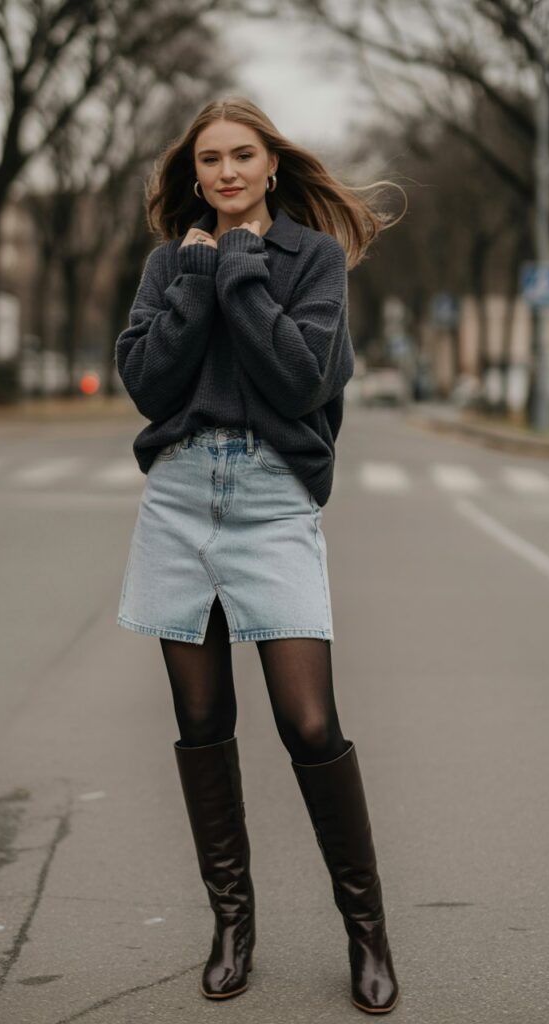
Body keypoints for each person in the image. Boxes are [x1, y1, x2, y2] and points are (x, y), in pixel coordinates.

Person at [115, 96, 405, 1014]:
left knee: (308, 723)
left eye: (243, 156)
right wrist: (197, 283)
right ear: (193, 173)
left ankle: (368, 934)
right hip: (180, 497)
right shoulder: (169, 263)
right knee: (201, 723)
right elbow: (148, 383)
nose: (227, 173)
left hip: (272, 498)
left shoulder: (312, 259)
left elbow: (298, 375)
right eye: (210, 160)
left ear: (271, 165)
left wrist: (238, 268)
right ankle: (232, 926)